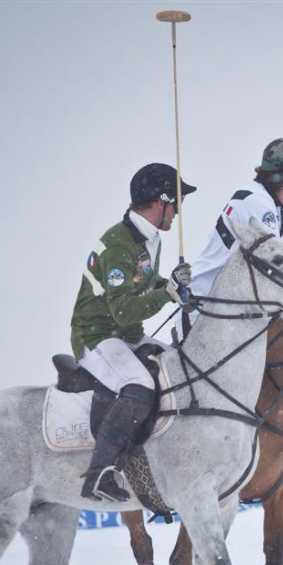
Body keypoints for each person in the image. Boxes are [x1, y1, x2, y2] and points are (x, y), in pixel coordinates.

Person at [70, 163, 196, 502]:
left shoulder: (146, 237)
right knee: (139, 386)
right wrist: (167, 293)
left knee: (181, 367)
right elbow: (122, 309)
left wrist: (174, 286)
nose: (177, 214)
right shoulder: (118, 245)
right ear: (161, 201)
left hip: (127, 335)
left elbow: (142, 281)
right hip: (97, 335)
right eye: (177, 205)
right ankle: (98, 475)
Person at [174, 137, 283, 341]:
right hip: (204, 309)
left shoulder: (273, 207)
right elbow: (278, 262)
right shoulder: (257, 202)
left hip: (230, 310)